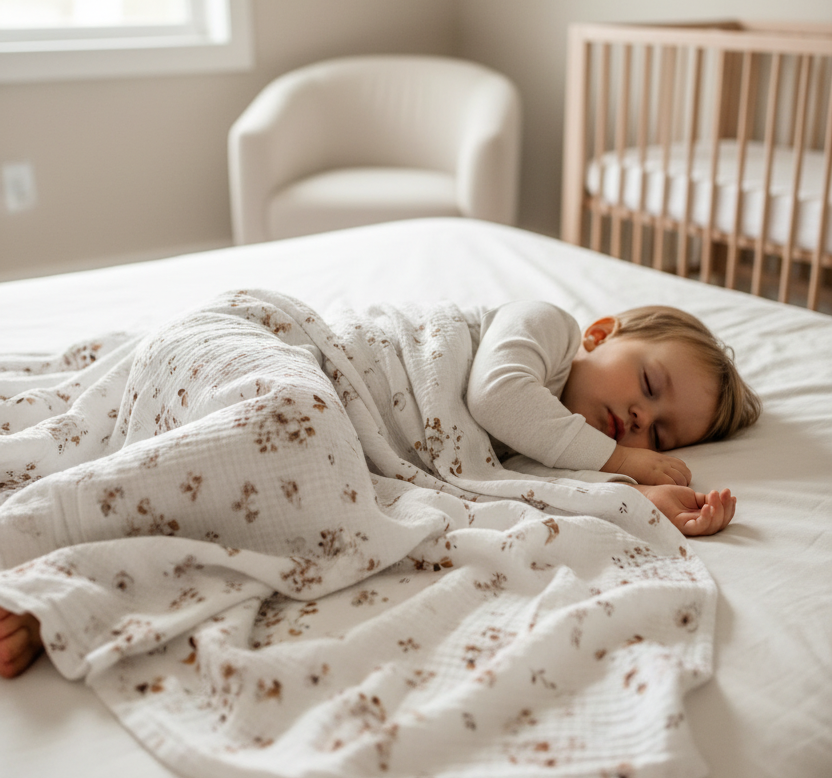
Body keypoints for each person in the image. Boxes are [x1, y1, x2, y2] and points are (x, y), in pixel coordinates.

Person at [0, 300, 760, 680]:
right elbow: (500, 397)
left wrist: (631, 498)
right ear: (602, 332)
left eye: (662, 433)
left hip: (308, 416)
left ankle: (71, 585)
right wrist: (621, 459)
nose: (639, 417)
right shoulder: (545, 330)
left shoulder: (543, 446)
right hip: (262, 344)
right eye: (649, 385)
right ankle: (32, 532)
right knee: (289, 428)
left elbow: (515, 481)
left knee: (306, 507)